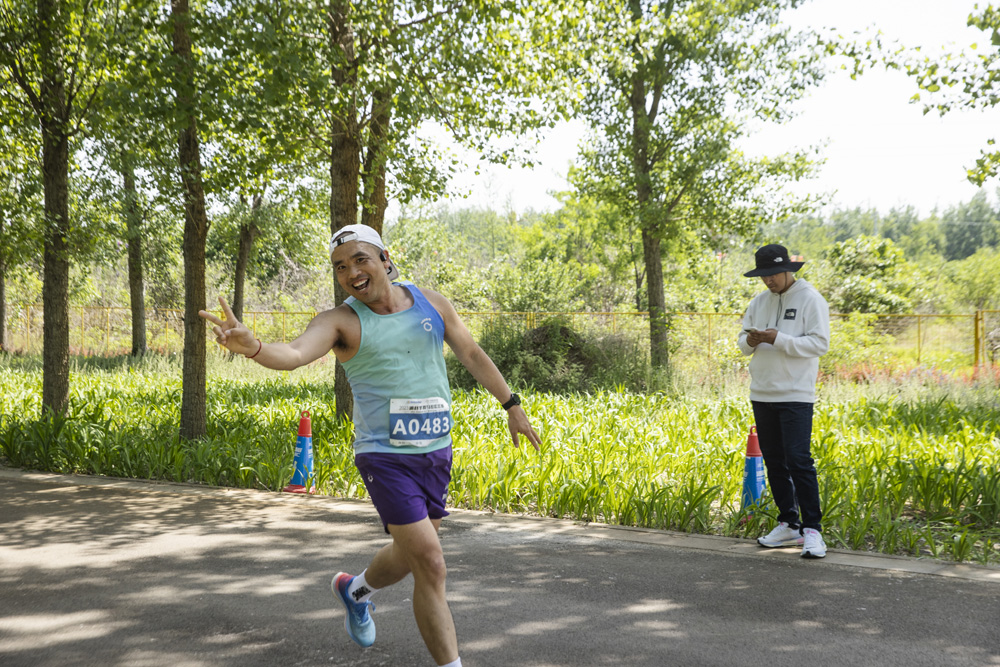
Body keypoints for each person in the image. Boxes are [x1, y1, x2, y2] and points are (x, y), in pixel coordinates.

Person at [200, 224, 542, 667]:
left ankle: (354, 589)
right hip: (384, 456)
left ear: (384, 258)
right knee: (432, 564)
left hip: (435, 450)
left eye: (360, 259)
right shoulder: (339, 322)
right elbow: (295, 354)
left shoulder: (431, 303)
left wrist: (511, 405)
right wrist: (254, 347)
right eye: (340, 267)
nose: (351, 272)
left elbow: (472, 354)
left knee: (407, 558)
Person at [737, 243, 830, 559]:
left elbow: (820, 343)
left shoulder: (810, 299)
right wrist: (750, 341)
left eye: (772, 274)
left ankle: (813, 530)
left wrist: (779, 338)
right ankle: (788, 523)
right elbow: (742, 341)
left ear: (788, 269)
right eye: (762, 275)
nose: (768, 281)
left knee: (798, 460)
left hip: (795, 394)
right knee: (774, 461)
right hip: (761, 392)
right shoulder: (759, 302)